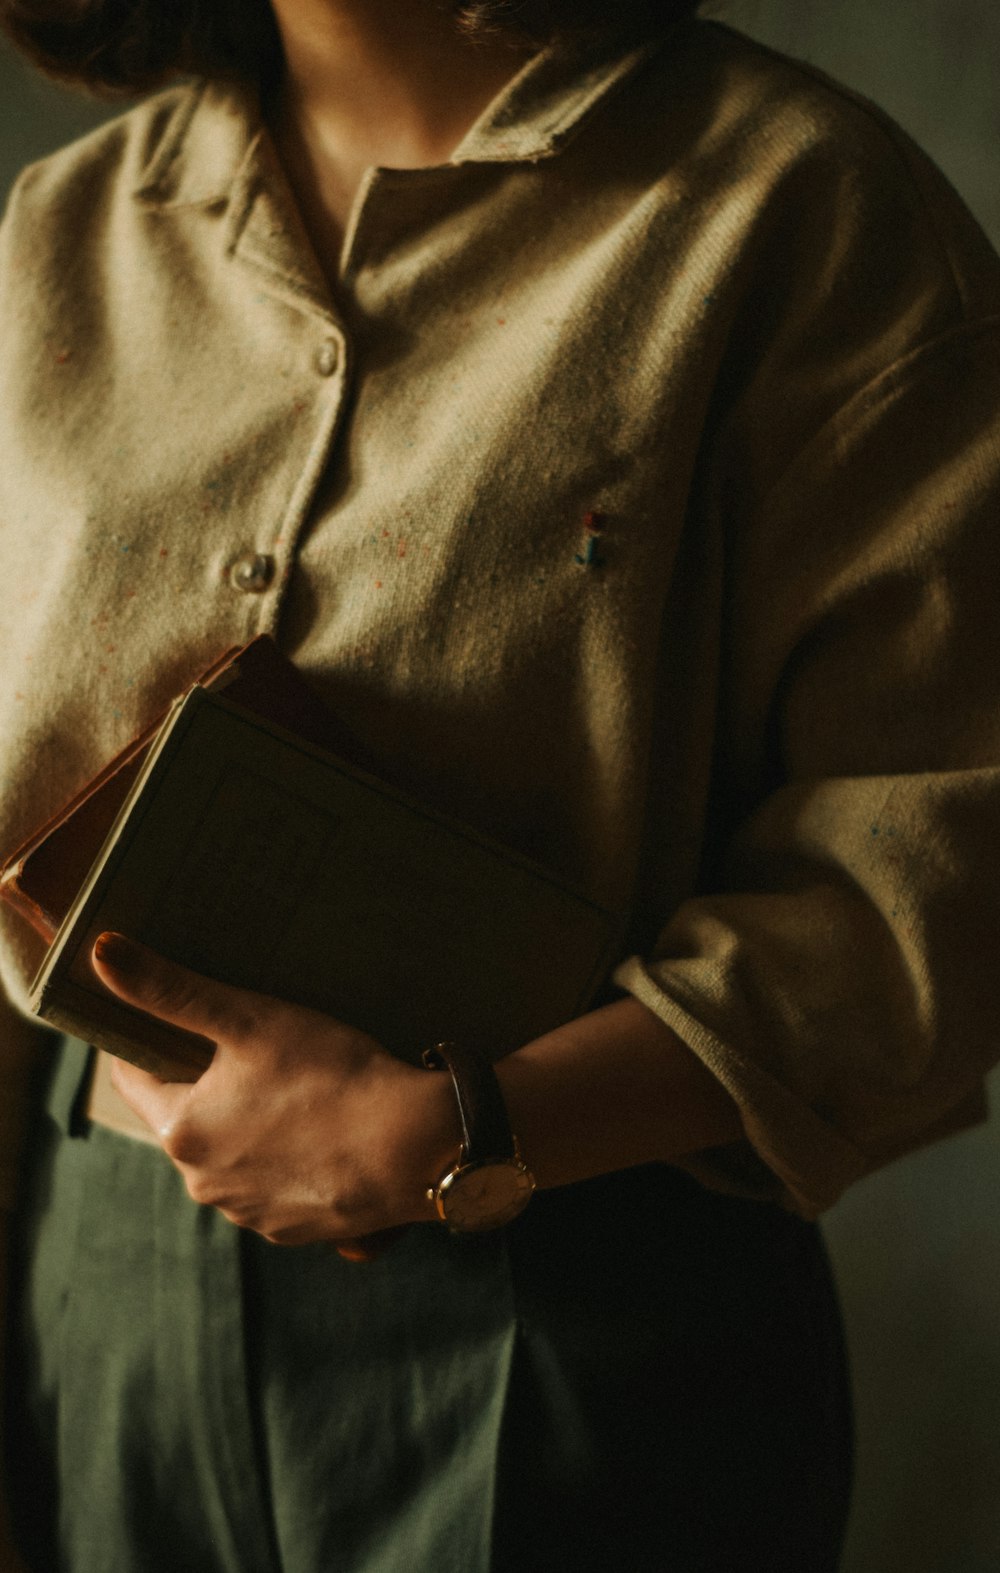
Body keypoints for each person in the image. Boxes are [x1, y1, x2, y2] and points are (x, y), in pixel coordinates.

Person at [0, 0, 999, 1567]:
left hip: (583, 1286)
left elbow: (940, 854)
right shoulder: (54, 237)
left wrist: (473, 1125)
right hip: (100, 1263)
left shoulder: (797, 207)